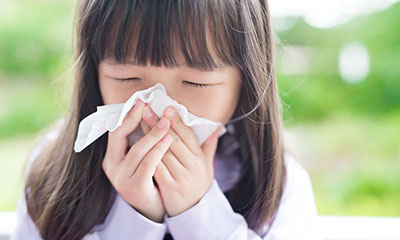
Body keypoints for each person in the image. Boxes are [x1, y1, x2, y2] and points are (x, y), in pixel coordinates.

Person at [11, 0, 321, 239]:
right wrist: (135, 218)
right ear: (95, 75)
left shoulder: (279, 185)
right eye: (127, 77)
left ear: (248, 81)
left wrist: (199, 214)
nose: (159, 109)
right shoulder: (52, 178)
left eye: (195, 83)